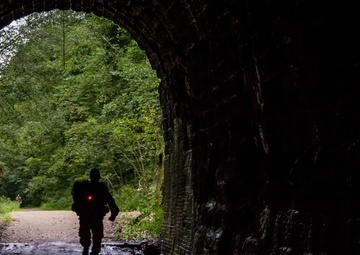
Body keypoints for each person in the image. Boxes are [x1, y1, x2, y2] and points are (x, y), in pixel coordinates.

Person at [72, 168, 119, 255]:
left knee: (88, 235)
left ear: (90, 176)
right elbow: (111, 202)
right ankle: (92, 251)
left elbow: (111, 202)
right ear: (99, 177)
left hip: (87, 217)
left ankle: (88, 248)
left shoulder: (86, 188)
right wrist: (114, 214)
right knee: (96, 236)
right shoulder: (101, 188)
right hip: (95, 217)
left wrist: (114, 213)